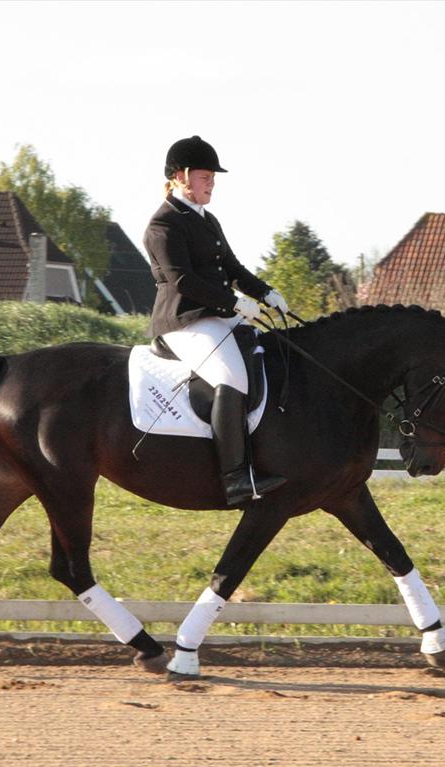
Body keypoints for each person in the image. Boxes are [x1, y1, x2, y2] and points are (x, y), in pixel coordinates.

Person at [143, 135, 288, 506]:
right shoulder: (163, 225)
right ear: (180, 177)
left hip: (217, 316)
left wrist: (265, 292)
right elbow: (183, 280)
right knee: (231, 376)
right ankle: (235, 478)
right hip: (184, 322)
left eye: (212, 178)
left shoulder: (208, 220)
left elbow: (233, 268)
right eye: (205, 177)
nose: (212, 184)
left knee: (268, 353)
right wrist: (234, 303)